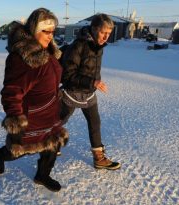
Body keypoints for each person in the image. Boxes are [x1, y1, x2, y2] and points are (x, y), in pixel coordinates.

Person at [0, 8, 68, 192]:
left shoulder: (49, 52)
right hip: (31, 117)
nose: (50, 35)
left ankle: (42, 175)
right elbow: (12, 91)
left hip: (50, 113)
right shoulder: (22, 57)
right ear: (34, 30)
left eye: (52, 31)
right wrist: (16, 120)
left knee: (52, 146)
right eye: (45, 31)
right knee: (17, 151)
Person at [59, 13, 121, 170]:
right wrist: (92, 81)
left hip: (89, 92)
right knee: (60, 120)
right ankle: (50, 144)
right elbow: (68, 75)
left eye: (109, 33)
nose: (106, 37)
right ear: (94, 29)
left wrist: (94, 82)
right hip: (72, 92)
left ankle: (99, 158)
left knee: (95, 122)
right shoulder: (78, 46)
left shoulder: (98, 46)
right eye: (103, 32)